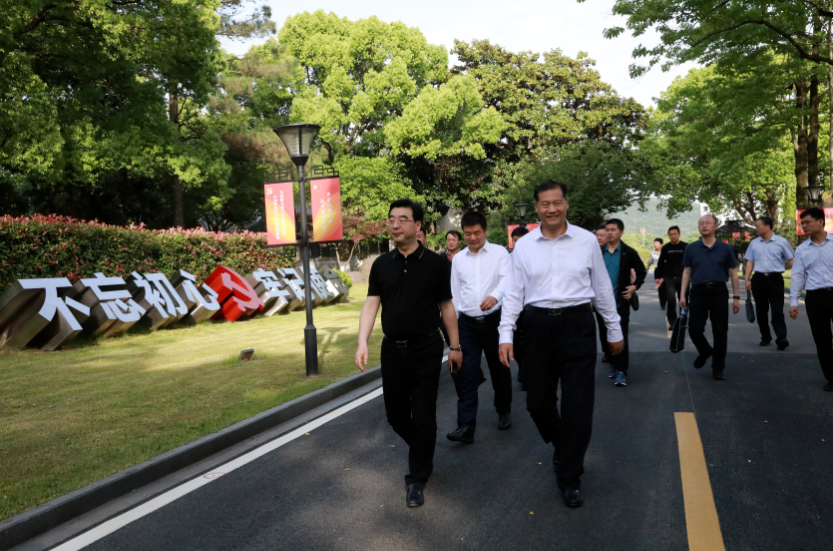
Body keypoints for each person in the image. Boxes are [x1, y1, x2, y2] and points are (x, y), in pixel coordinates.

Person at [498, 181, 623, 509]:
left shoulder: (585, 241)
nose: (551, 209)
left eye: (557, 202)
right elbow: (513, 292)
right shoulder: (523, 246)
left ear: (566, 204)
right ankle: (563, 445)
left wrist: (613, 330)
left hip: (578, 325)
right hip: (536, 327)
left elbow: (602, 288)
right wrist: (505, 334)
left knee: (578, 408)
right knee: (537, 403)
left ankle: (569, 476)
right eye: (544, 204)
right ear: (537, 208)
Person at [355, 199, 463, 508]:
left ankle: (417, 479)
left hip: (426, 348)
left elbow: (446, 307)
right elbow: (371, 303)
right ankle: (423, 449)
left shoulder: (436, 263)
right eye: (391, 219)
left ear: (418, 226)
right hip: (392, 350)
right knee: (396, 415)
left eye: (402, 219)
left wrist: (454, 347)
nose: (394, 224)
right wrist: (362, 341)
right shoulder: (381, 264)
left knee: (425, 414)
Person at [448, 212, 512, 443]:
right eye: (468, 234)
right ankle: (466, 426)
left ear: (485, 230)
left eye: (477, 233)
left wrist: (495, 296)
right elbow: (455, 295)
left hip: (495, 322)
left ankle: (503, 410)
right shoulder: (459, 259)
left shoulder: (500, 253)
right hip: (467, 325)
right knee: (467, 373)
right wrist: (453, 332)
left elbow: (507, 280)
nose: (472, 237)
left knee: (499, 369)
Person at [679, 214, 740, 380]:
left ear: (715, 226)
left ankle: (718, 367)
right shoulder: (691, 248)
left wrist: (736, 297)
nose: (704, 226)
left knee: (720, 331)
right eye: (701, 224)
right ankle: (705, 351)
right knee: (694, 329)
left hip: (719, 292)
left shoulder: (725, 248)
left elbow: (733, 273)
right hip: (698, 292)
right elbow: (686, 271)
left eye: (707, 223)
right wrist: (682, 294)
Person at [789, 208, 833, 391]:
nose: (803, 226)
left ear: (821, 221)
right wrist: (793, 301)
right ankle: (831, 378)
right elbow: (798, 274)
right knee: (822, 339)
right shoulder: (802, 249)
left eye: (807, 222)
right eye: (802, 223)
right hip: (815, 297)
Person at [599, 218, 646, 387]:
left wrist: (634, 287)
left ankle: (621, 370)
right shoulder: (598, 251)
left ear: (621, 232)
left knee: (620, 335)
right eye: (607, 229)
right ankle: (613, 364)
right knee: (605, 337)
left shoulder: (628, 252)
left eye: (613, 229)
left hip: (620, 302)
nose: (609, 232)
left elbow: (641, 272)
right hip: (601, 303)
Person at [744, 216, 794, 349]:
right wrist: (747, 279)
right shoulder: (754, 243)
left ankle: (781, 338)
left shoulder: (781, 242)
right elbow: (750, 262)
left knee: (777, 309)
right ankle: (765, 337)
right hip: (758, 279)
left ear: (768, 226)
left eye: (758, 225)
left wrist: (800, 277)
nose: (756, 228)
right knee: (761, 310)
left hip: (775, 279)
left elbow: (791, 259)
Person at [656, 226, 688, 329]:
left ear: (679, 234)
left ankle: (683, 320)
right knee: (671, 300)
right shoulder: (666, 248)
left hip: (683, 277)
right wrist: (658, 277)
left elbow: (691, 263)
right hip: (669, 277)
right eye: (671, 234)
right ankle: (673, 322)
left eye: (675, 234)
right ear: (669, 235)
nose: (673, 236)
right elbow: (660, 263)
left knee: (683, 300)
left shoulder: (686, 246)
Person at [646, 238, 667, 310]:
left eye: (657, 243)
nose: (655, 245)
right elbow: (650, 261)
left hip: (666, 270)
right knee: (660, 288)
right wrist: (647, 268)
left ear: (661, 244)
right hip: (658, 271)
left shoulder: (665, 252)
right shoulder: (652, 253)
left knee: (667, 286)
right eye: (654, 243)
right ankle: (663, 304)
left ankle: (667, 299)